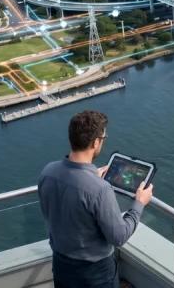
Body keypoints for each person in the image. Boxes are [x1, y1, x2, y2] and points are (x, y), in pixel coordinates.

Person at [38, 110, 154, 288]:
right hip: (94, 274)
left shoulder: (48, 172)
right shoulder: (100, 190)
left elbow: (53, 213)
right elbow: (119, 236)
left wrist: (92, 178)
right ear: (96, 142)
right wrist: (139, 203)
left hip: (60, 264)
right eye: (103, 138)